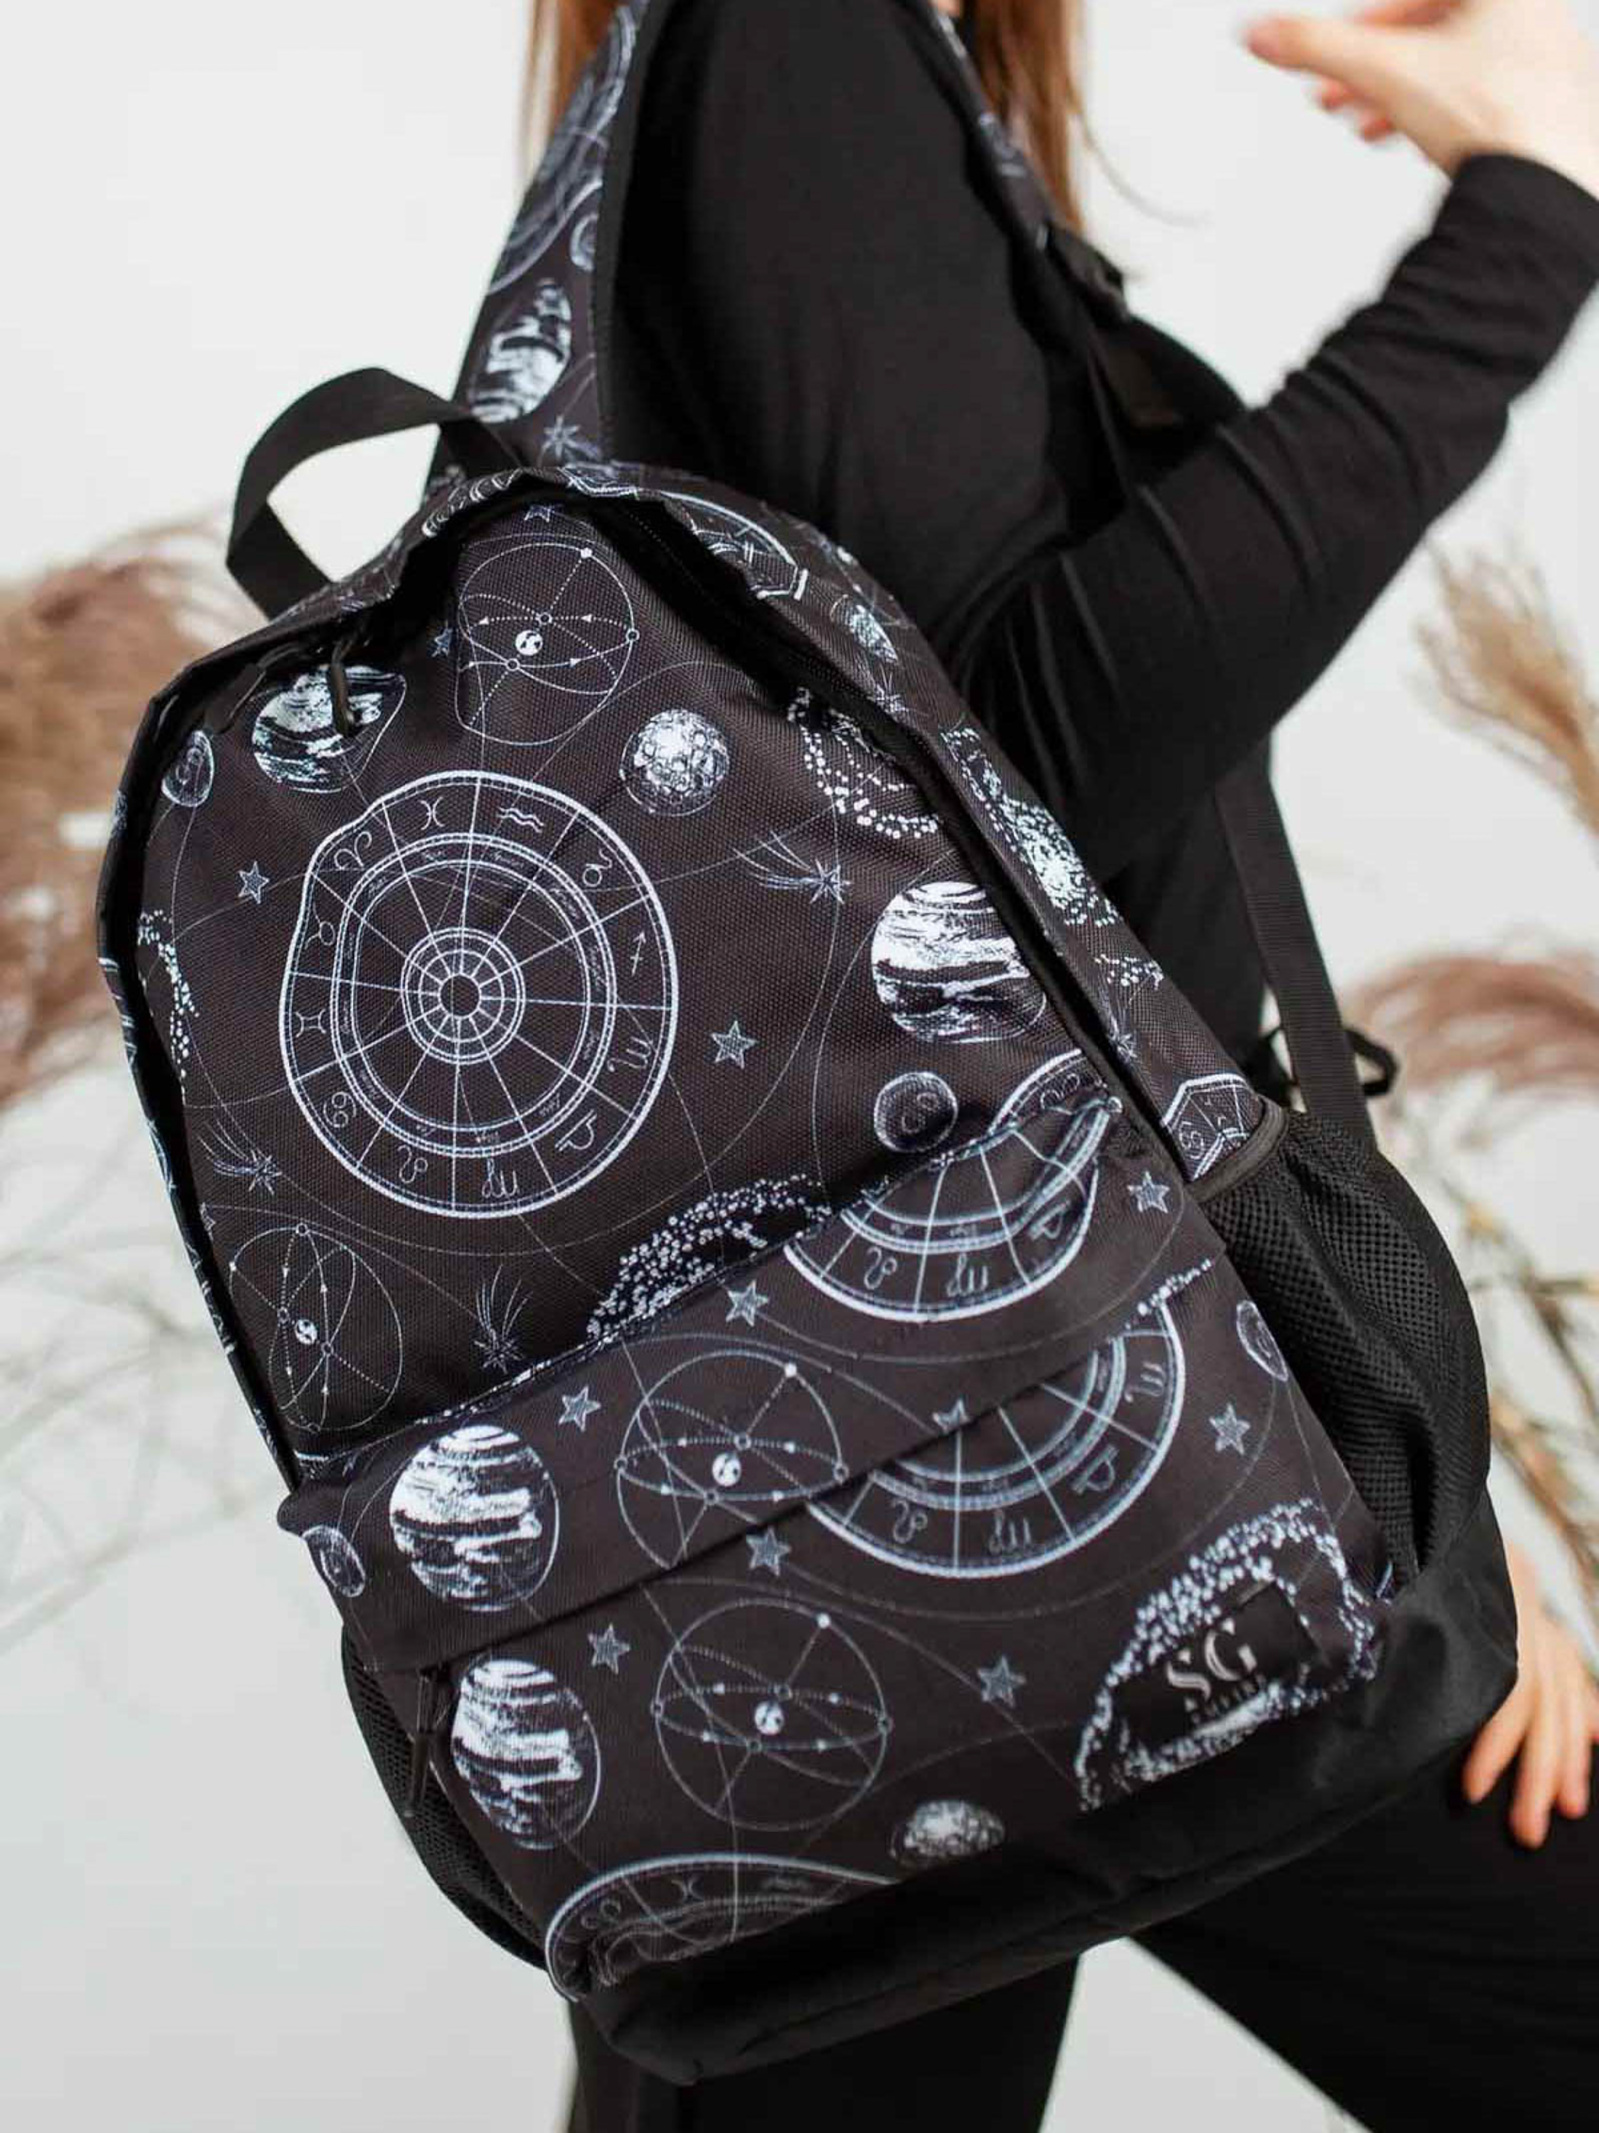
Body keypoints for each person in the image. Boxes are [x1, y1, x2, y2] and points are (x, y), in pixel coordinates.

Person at [546, 0, 1599, 2124]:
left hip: (1006, 1471)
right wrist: (1526, 215)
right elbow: (1031, 771)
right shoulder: (794, 44)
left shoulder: (878, 80)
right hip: (1002, 1477)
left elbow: (1072, 905)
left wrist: (1401, 1471)